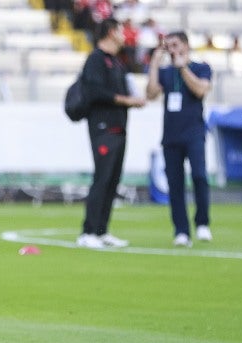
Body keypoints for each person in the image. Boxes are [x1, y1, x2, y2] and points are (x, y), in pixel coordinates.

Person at [77, 17, 145, 249]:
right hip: (103, 127)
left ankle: (102, 229)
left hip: (119, 126)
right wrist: (125, 100)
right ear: (109, 32)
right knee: (102, 177)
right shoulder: (96, 59)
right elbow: (94, 92)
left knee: (113, 180)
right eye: (119, 30)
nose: (124, 34)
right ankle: (88, 232)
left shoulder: (117, 62)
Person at [146, 31, 213, 247]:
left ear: (185, 45)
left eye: (175, 45)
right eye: (169, 46)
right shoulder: (166, 73)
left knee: (199, 177)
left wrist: (182, 67)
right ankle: (181, 230)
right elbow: (151, 94)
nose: (172, 50)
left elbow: (201, 90)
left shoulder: (200, 67)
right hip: (171, 136)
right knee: (175, 185)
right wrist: (155, 64)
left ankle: (202, 223)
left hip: (194, 133)